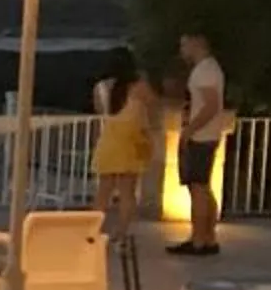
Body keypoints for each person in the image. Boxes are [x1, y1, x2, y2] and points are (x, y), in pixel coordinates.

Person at [168, 32, 231, 255]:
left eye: (184, 45)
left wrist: (190, 130)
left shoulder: (204, 71)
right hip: (207, 135)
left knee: (197, 188)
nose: (182, 50)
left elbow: (211, 106)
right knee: (203, 186)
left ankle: (198, 239)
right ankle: (208, 237)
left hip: (201, 137)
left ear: (196, 44)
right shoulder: (210, 69)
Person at [89, 45, 155, 238]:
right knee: (127, 192)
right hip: (130, 143)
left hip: (108, 142)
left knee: (103, 193)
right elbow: (152, 107)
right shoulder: (139, 86)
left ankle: (92, 231)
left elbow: (100, 112)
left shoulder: (100, 88)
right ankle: (121, 232)